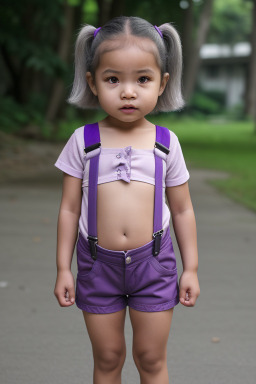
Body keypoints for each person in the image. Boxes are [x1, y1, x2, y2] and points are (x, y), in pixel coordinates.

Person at [54, 15, 200, 384]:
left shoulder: (165, 143)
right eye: (113, 79)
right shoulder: (83, 140)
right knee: (108, 358)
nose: (128, 92)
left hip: (154, 265)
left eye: (143, 79)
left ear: (163, 82)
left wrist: (191, 268)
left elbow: (182, 209)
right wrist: (62, 268)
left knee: (150, 359)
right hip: (95, 265)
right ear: (93, 82)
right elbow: (70, 208)